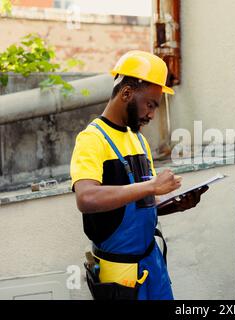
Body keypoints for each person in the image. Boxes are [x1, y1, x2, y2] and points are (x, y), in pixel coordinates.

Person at [70, 50, 208, 300]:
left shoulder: (139, 141)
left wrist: (173, 206)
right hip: (120, 275)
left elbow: (141, 203)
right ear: (126, 93)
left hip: (152, 263)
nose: (152, 114)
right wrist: (151, 187)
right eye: (150, 104)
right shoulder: (92, 140)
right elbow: (86, 198)